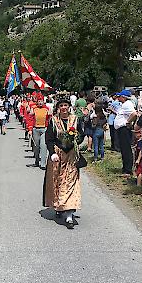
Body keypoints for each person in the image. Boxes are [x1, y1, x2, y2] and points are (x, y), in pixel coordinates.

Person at [44, 93, 83, 229]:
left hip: (71, 155)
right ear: (58, 108)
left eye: (66, 105)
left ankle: (69, 214)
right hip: (58, 156)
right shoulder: (53, 121)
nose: (64, 108)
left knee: (71, 182)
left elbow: (81, 135)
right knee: (58, 182)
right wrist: (52, 153)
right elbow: (49, 139)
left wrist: (76, 140)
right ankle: (59, 207)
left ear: (69, 107)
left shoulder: (76, 120)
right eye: (61, 106)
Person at [113, 89, 137, 177]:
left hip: (124, 129)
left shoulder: (128, 104)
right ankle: (125, 168)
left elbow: (134, 114)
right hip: (121, 129)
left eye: (120, 96)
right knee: (123, 148)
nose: (118, 98)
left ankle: (128, 169)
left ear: (124, 97)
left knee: (126, 149)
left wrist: (128, 122)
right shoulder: (125, 104)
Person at [31, 94, 50, 168]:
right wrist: (29, 129)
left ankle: (43, 164)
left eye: (41, 101)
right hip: (35, 129)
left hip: (44, 129)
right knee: (36, 146)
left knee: (43, 145)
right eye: (39, 101)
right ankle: (36, 159)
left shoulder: (47, 109)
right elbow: (30, 119)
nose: (40, 103)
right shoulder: (34, 109)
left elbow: (50, 118)